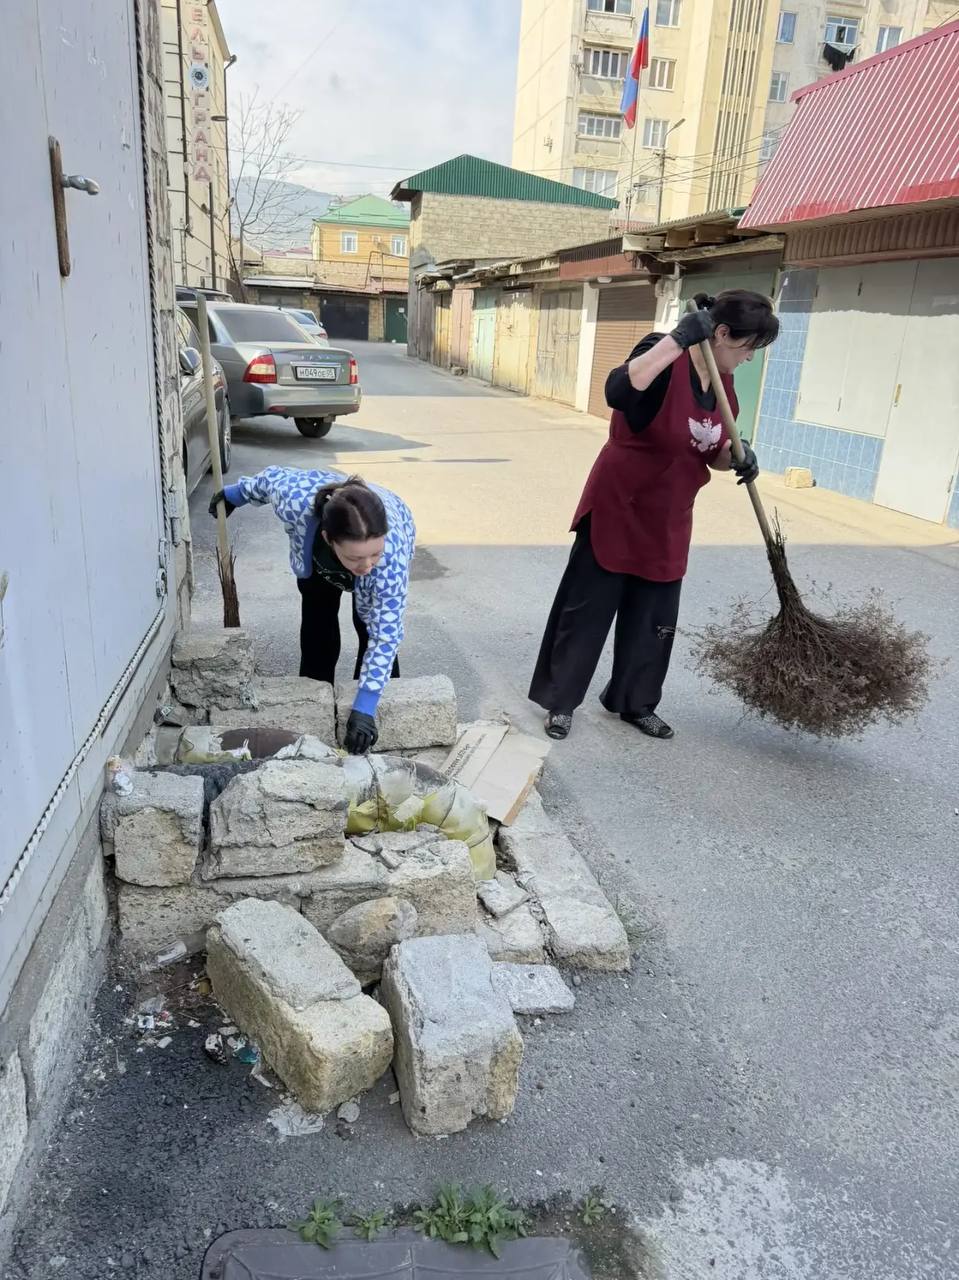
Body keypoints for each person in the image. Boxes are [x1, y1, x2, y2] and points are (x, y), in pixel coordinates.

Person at [528, 289, 779, 742]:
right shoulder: (660, 355)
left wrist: (737, 458)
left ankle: (634, 701)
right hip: (619, 506)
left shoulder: (723, 385)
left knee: (654, 620)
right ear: (721, 333)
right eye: (747, 348)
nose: (748, 360)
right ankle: (561, 702)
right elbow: (617, 390)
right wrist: (678, 339)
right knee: (587, 610)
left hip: (669, 517)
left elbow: (711, 448)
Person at [210, 467, 415, 754]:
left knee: (369, 628)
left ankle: (367, 722)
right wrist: (236, 494)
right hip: (321, 563)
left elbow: (386, 635)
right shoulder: (296, 500)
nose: (367, 564)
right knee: (319, 622)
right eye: (356, 557)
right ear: (328, 537)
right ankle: (313, 704)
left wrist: (365, 708)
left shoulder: (387, 562)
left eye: (374, 554)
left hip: (389, 519)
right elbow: (271, 480)